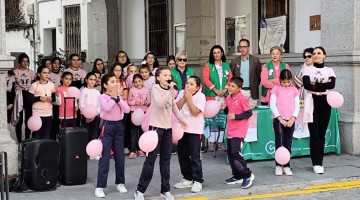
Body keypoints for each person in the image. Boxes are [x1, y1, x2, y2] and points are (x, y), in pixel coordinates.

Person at [134, 67, 186, 200]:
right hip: (156, 128)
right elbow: (159, 103)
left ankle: (165, 189)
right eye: (165, 75)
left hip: (168, 129)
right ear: (158, 77)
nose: (168, 77)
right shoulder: (156, 89)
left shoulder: (170, 91)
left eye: (169, 74)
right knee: (150, 160)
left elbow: (173, 105)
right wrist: (170, 91)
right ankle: (140, 190)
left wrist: (180, 118)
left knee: (166, 160)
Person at [95, 73, 130, 198]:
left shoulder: (119, 97)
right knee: (105, 157)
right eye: (112, 81)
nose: (116, 84)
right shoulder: (103, 97)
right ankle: (100, 186)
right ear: (105, 85)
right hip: (107, 126)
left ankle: (120, 183)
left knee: (120, 157)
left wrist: (118, 99)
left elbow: (126, 110)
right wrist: (114, 98)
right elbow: (107, 108)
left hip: (119, 126)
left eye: (116, 81)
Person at [302, 46, 336, 174]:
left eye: (318, 53)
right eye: (314, 53)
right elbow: (306, 85)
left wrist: (315, 85)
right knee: (314, 134)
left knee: (322, 133)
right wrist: (321, 86)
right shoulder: (307, 69)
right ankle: (316, 163)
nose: (315, 55)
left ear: (324, 55)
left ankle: (320, 161)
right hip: (312, 102)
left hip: (325, 102)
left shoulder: (329, 70)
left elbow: (331, 85)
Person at [173, 76, 205, 193]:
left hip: (195, 131)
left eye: (191, 84)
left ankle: (198, 180)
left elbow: (195, 112)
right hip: (182, 130)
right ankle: (187, 177)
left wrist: (189, 99)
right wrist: (184, 98)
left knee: (195, 156)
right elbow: (175, 107)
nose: (188, 86)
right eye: (187, 83)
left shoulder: (201, 96)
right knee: (182, 155)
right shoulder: (182, 93)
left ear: (197, 87)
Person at [223, 77, 254, 188]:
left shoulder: (242, 98)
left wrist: (236, 116)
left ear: (239, 88)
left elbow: (249, 113)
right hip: (230, 129)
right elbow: (227, 111)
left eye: (233, 86)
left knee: (236, 153)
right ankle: (237, 175)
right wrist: (224, 108)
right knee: (231, 154)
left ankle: (247, 174)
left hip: (239, 130)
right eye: (229, 85)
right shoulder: (228, 97)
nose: (230, 88)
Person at [203, 45, 233, 152]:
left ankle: (220, 142)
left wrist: (224, 90)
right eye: (214, 52)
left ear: (222, 53)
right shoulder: (208, 65)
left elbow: (230, 79)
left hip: (223, 96)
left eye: (218, 52)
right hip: (212, 95)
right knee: (212, 119)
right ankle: (211, 141)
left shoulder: (226, 65)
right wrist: (215, 90)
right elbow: (206, 79)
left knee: (221, 118)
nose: (216, 54)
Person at [269, 69, 300, 176]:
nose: (286, 84)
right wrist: (280, 119)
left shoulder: (294, 90)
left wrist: (293, 118)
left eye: (288, 82)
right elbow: (272, 105)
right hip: (279, 120)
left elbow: (297, 106)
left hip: (290, 120)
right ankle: (278, 165)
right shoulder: (276, 89)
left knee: (288, 143)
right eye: (284, 82)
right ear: (280, 80)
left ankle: (286, 165)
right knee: (279, 142)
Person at [230, 39, 261, 108]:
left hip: (252, 92)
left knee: (252, 116)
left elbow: (258, 77)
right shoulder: (234, 62)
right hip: (239, 92)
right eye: (241, 47)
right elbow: (233, 77)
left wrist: (254, 86)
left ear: (248, 47)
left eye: (244, 47)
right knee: (239, 113)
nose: (242, 49)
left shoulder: (255, 60)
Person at [13, 53, 36, 143]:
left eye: (27, 61)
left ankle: (27, 139)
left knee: (28, 118)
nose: (25, 63)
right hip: (19, 95)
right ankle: (19, 141)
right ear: (19, 62)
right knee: (19, 119)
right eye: (23, 61)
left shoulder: (31, 73)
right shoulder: (15, 72)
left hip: (29, 94)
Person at [28, 66, 56, 139]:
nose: (47, 75)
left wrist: (51, 99)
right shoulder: (34, 85)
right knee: (36, 134)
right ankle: (35, 149)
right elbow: (29, 99)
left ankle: (44, 150)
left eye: (48, 73)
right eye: (44, 73)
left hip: (48, 113)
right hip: (37, 113)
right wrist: (39, 98)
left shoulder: (51, 85)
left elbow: (54, 98)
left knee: (46, 134)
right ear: (39, 74)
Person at [127, 74, 150, 159]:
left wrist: (145, 102)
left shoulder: (147, 90)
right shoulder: (132, 90)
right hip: (134, 113)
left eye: (139, 81)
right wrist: (135, 103)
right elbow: (129, 101)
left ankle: (141, 149)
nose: (138, 83)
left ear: (142, 81)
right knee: (134, 132)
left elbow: (149, 101)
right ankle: (133, 150)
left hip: (144, 112)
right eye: (135, 82)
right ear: (133, 83)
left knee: (142, 131)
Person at [79, 72, 101, 143]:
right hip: (85, 118)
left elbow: (99, 106)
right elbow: (81, 105)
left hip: (95, 117)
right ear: (86, 80)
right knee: (85, 135)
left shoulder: (97, 92)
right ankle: (84, 152)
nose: (92, 81)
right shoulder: (83, 91)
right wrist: (87, 115)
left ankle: (92, 152)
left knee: (94, 135)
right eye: (91, 79)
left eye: (94, 80)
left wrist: (94, 115)